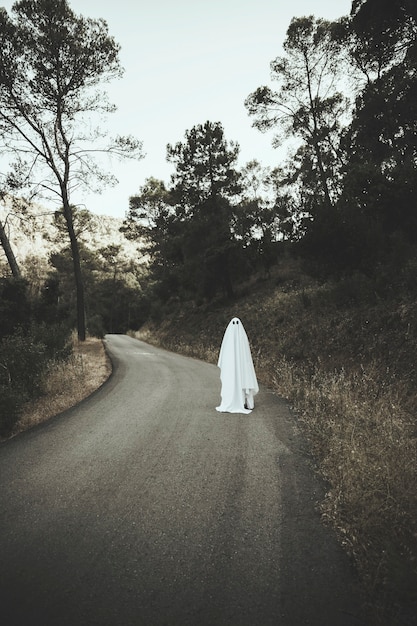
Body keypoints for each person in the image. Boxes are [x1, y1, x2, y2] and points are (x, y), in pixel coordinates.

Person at [216, 317, 259, 414]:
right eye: (234, 323)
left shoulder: (242, 339)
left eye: (237, 323)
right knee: (231, 382)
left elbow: (246, 356)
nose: (235, 325)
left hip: (242, 367)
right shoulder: (229, 340)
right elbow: (224, 354)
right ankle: (230, 401)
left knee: (245, 380)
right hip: (230, 369)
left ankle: (247, 403)